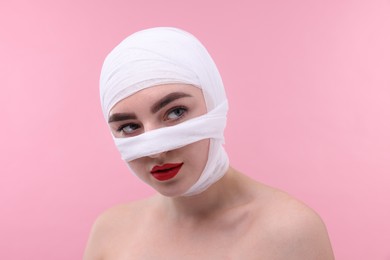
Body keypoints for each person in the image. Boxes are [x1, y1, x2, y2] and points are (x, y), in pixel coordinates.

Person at [84, 27, 334, 259]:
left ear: (214, 102)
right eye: (129, 127)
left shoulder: (290, 231)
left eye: (175, 112)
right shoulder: (110, 233)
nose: (156, 149)